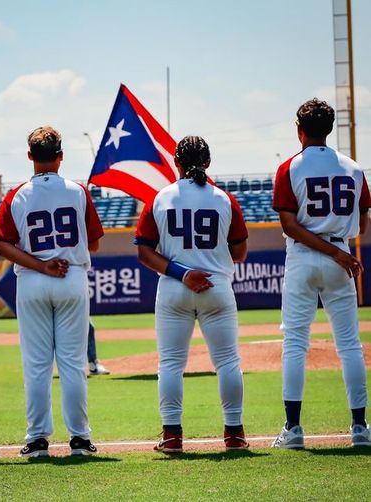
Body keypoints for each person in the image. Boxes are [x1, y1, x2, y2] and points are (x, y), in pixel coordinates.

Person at [0, 126, 104, 457]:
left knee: (37, 365)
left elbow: (1, 244)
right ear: (60, 156)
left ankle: (38, 439)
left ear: (30, 156)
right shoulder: (78, 191)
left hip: (32, 279)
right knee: (72, 363)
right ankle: (80, 439)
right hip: (72, 277)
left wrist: (41, 265)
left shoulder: (17, 195)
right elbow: (94, 242)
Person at [135, 136, 249, 453]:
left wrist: (183, 272)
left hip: (174, 287)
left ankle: (172, 436)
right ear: (208, 163)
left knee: (170, 363)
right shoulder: (225, 200)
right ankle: (235, 434)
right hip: (216, 286)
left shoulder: (159, 198)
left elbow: (145, 253)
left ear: (176, 163)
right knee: (228, 362)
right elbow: (240, 252)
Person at [272, 98, 371, 448]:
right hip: (340, 254)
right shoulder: (354, 168)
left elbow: (289, 224)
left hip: (302, 257)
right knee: (349, 346)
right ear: (328, 129)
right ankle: (360, 427)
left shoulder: (290, 167)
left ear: (300, 131)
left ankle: (293, 429)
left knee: (295, 344)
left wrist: (328, 247)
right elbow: (362, 223)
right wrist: (337, 248)